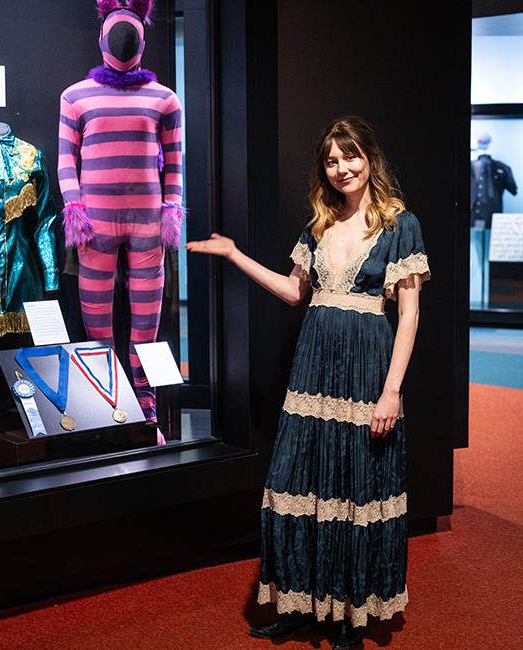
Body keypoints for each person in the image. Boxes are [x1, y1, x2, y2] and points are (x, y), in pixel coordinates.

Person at [186, 116, 429, 649]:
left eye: (350, 157)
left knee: (352, 486)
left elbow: (408, 315)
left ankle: (347, 613)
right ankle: (304, 602)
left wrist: (391, 391)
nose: (341, 168)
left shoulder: (399, 225)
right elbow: (295, 292)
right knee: (302, 482)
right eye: (331, 160)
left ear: (370, 158)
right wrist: (233, 255)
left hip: (367, 368)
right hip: (314, 368)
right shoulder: (318, 225)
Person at [58, 0, 183, 428]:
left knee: (145, 326)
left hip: (147, 223)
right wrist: (75, 210)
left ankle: (146, 408)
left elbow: (176, 162)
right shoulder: (75, 97)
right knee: (98, 326)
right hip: (97, 225)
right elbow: (65, 162)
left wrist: (170, 211)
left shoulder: (165, 99)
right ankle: (107, 409)